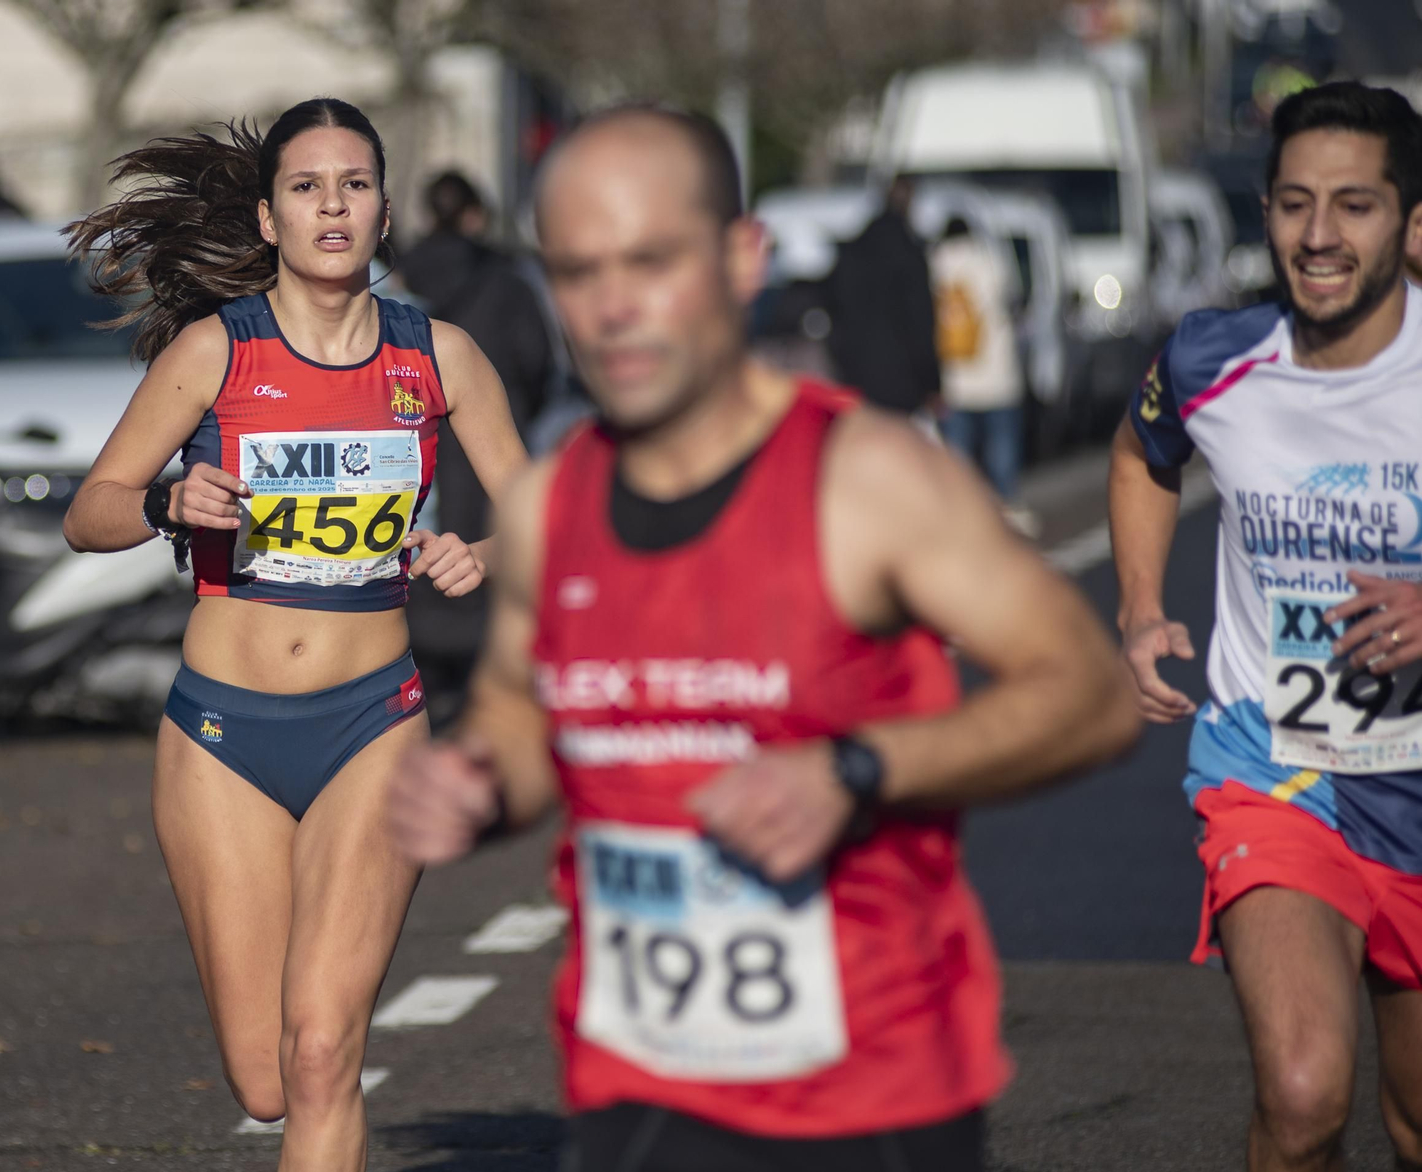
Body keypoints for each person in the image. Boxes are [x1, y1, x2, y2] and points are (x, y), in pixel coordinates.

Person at [387, 105, 1142, 1171]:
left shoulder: (864, 476)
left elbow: (1089, 691)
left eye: (650, 261)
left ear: (744, 258)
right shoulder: (553, 501)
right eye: (578, 271)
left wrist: (857, 765)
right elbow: (519, 701)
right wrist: (479, 777)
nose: (613, 308)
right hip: (633, 1085)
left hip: (866, 1097)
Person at [60, 99, 527, 1172]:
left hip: (377, 722)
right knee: (265, 1076)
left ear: (385, 210)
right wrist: (168, 503)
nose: (333, 205)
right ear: (269, 219)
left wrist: (485, 554)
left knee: (321, 1049)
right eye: (308, 187)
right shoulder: (214, 352)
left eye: (354, 184)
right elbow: (89, 510)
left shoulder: (438, 355)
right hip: (223, 734)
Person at [1110, 82, 1422, 1172]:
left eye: (1354, 204)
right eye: (1293, 204)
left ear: (1412, 221)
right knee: (1300, 1098)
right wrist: (1141, 604)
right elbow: (1140, 453)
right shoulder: (1215, 358)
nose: (1319, 235)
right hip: (1276, 770)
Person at [400, 170, 556, 725]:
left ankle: (426, 677)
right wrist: (519, 412)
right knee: (492, 544)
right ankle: (480, 695)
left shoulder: (394, 282)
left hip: (410, 431)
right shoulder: (507, 279)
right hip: (495, 430)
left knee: (420, 537)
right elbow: (538, 357)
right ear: (474, 215)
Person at [929, 217, 1034, 536]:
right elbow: (1014, 300)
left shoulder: (933, 264)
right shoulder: (992, 260)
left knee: (958, 459)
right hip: (997, 376)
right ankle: (1006, 515)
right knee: (1000, 454)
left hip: (954, 379)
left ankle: (959, 519)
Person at [821, 177, 941, 417]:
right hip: (902, 381)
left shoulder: (854, 249)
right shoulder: (910, 253)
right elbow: (921, 321)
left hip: (856, 377)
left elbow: (834, 311)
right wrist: (931, 382)